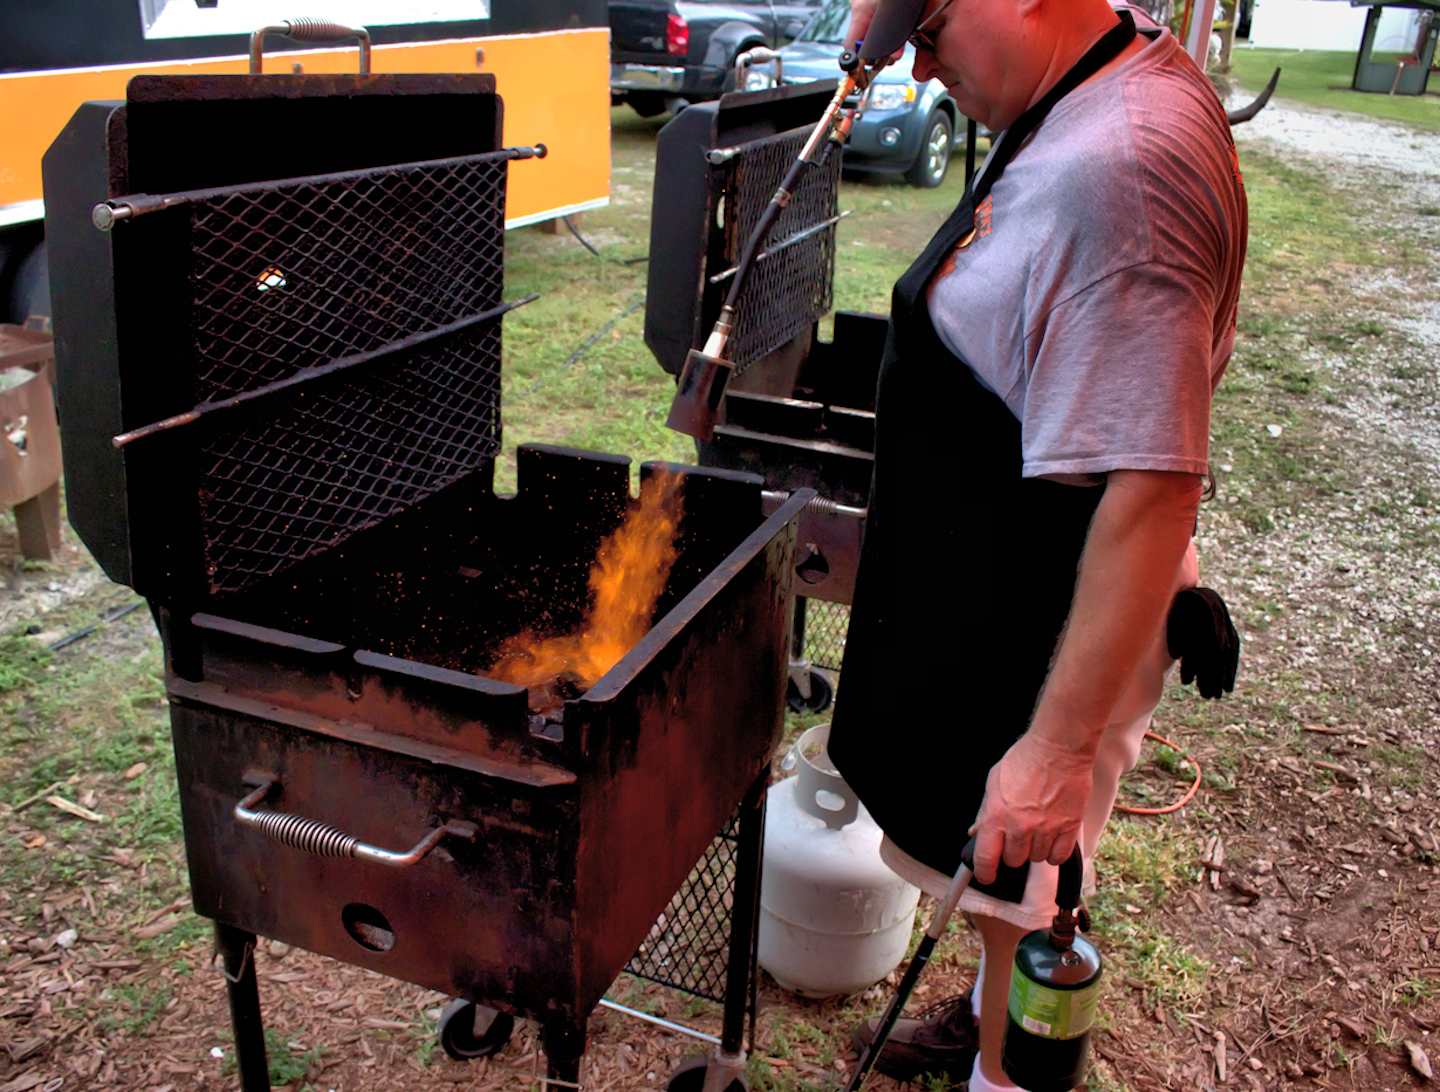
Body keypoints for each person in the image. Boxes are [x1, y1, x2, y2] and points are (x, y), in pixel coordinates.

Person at [824, 0, 1247, 1089]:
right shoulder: (1092, 70)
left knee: (1020, 875)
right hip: (1005, 587)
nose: (919, 63)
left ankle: (1002, 1073)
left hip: (1039, 629)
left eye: (931, 28)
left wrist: (1054, 752)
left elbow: (1152, 491)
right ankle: (988, 1009)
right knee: (1008, 897)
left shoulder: (1127, 175)